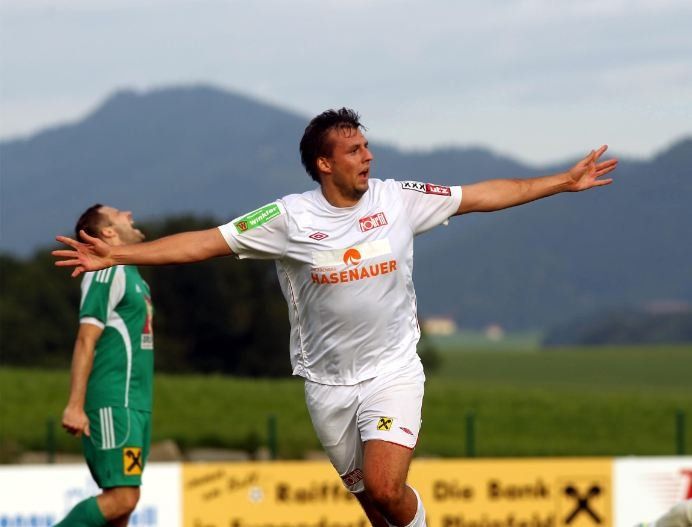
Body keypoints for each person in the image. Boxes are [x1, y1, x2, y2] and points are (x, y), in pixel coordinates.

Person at [53, 109, 618, 527]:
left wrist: (560, 182)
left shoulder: (397, 199)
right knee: (375, 507)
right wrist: (118, 255)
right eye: (354, 150)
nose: (368, 156)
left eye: (367, 146)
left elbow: (482, 195)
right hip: (326, 386)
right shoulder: (289, 218)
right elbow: (204, 243)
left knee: (387, 488)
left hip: (392, 370)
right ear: (325, 164)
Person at [55, 205, 154, 527]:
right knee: (123, 497)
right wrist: (75, 405)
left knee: (122, 510)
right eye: (118, 214)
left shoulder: (134, 275)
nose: (129, 213)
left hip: (136, 405)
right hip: (113, 402)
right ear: (108, 232)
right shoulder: (107, 270)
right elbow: (86, 338)